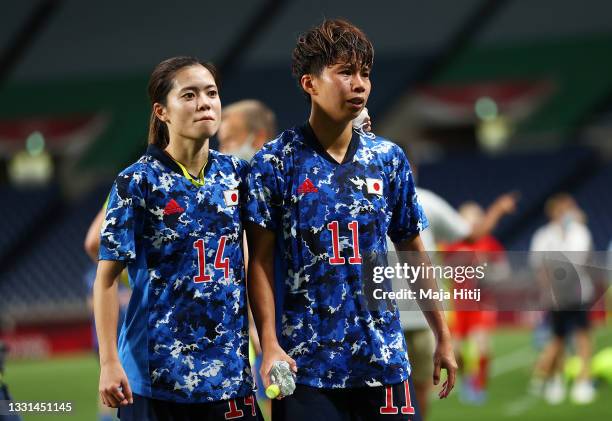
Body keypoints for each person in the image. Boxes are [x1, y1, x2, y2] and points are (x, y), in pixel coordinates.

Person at [245, 19, 457, 421]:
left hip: (384, 362)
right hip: (305, 368)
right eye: (345, 72)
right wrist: (269, 344)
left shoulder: (389, 159)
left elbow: (413, 249)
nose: (358, 83)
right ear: (309, 83)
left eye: (364, 73)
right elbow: (258, 262)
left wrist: (442, 334)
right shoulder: (274, 162)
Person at [94, 56, 261, 420]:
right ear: (162, 111)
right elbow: (105, 279)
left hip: (230, 380)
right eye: (189, 94)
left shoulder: (239, 175)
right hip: (156, 382)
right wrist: (108, 362)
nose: (204, 102)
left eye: (211, 93)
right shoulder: (136, 182)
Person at [218, 100, 278, 421]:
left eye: (228, 140)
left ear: (258, 138)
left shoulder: (286, 185)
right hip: (257, 328)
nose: (222, 150)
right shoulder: (233, 191)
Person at [529, 193, 595, 405]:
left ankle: (583, 381)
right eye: (562, 209)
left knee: (582, 337)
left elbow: (579, 261)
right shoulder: (543, 235)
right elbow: (539, 266)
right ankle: (556, 380)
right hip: (555, 297)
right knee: (558, 338)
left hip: (579, 293)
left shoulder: (580, 232)